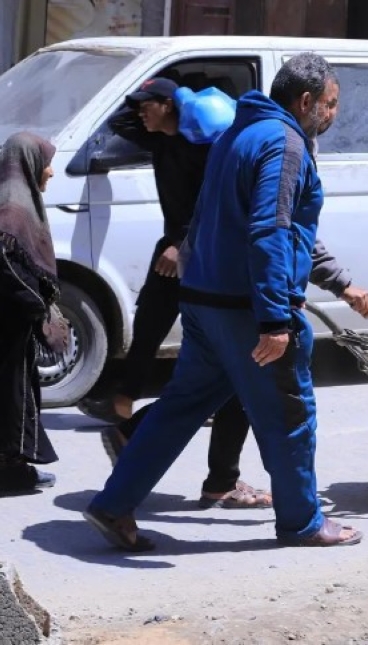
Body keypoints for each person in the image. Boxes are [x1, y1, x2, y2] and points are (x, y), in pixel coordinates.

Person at [83, 53, 363, 550]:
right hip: (243, 310)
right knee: (291, 417)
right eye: (330, 104)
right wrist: (276, 319)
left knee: (177, 410)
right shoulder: (286, 143)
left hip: (203, 302)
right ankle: (303, 522)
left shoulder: (239, 131)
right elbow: (270, 232)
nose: (333, 114)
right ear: (305, 102)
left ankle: (112, 503)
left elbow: (266, 225)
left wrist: (338, 283)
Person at [79, 76, 278, 507]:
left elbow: (213, 204)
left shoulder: (205, 147)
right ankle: (128, 416)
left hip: (197, 254)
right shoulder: (165, 139)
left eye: (147, 105)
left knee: (226, 378)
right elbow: (122, 123)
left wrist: (182, 242)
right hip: (175, 251)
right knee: (151, 333)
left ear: (168, 106)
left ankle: (201, 468)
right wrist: (160, 99)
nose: (140, 114)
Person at [0, 132, 63, 495]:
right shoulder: (11, 211)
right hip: (10, 324)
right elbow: (7, 261)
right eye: (46, 161)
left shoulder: (16, 201)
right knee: (13, 396)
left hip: (12, 321)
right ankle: (11, 471)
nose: (51, 172)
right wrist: (37, 308)